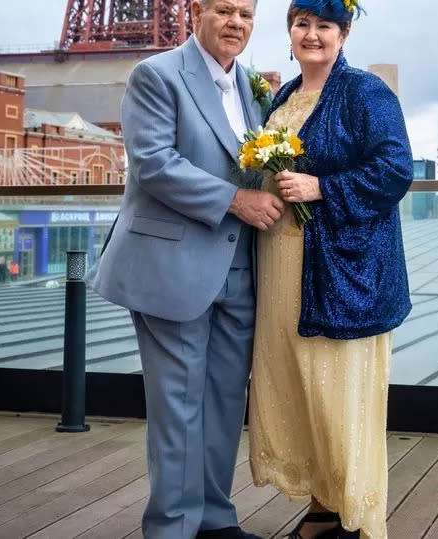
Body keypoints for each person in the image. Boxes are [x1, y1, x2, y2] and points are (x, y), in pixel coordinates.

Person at [85, 1, 283, 537]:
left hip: (239, 270)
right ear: (195, 10)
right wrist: (236, 201)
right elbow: (154, 163)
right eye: (224, 9)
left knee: (222, 404)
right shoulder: (156, 74)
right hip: (171, 268)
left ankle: (216, 520)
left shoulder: (253, 88)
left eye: (246, 13)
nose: (236, 22)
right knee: (177, 408)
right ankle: (171, 527)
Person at [247, 1, 413, 538]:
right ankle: (322, 511)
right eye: (301, 24)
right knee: (301, 391)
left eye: (323, 26)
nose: (311, 35)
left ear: (343, 34)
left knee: (339, 395)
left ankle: (356, 519)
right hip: (282, 269)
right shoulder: (285, 96)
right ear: (289, 31)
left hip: (341, 273)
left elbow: (394, 170)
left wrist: (322, 187)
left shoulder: (366, 92)